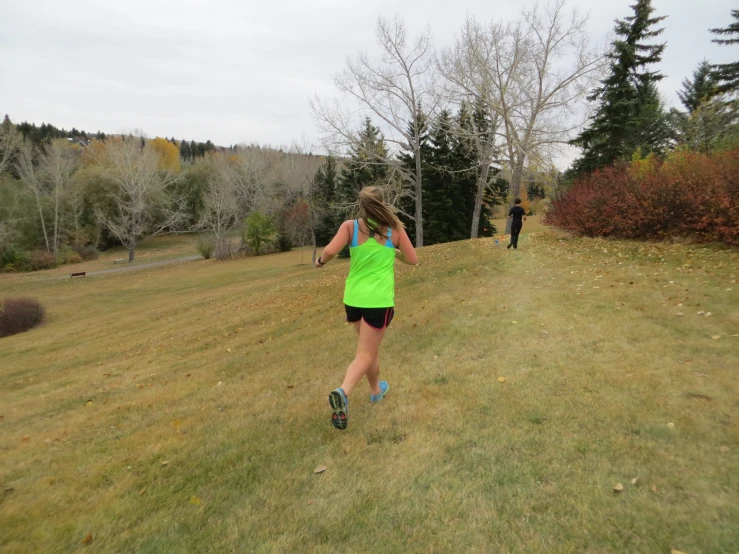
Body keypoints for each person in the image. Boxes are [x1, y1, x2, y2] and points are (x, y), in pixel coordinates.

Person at [315, 186, 418, 430]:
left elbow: (330, 251)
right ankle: (344, 391)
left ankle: (375, 391)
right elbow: (413, 259)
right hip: (377, 303)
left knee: (368, 349)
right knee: (365, 353)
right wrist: (393, 252)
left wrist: (320, 261)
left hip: (353, 301)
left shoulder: (350, 227)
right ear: (383, 202)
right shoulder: (394, 230)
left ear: (362, 205)